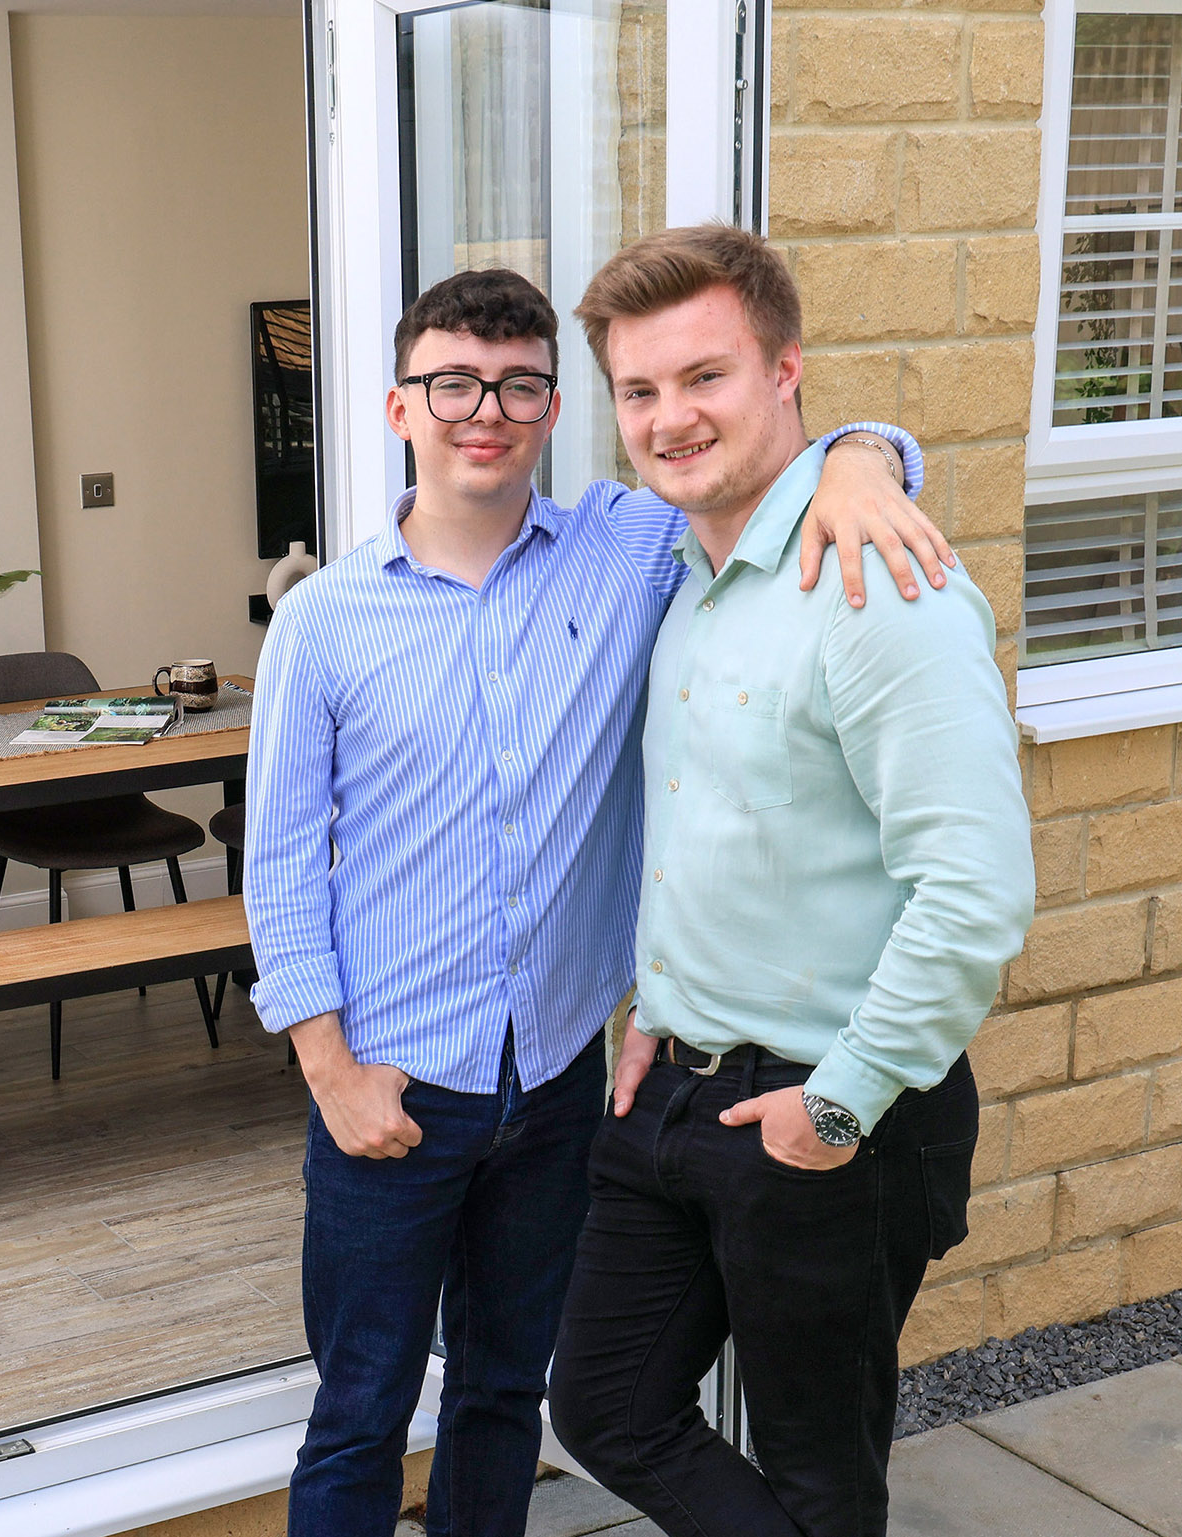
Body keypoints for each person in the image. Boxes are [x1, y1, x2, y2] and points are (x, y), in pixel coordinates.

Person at [243, 265, 953, 1537]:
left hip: (563, 1083)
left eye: (518, 385)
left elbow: (769, 460)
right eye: (451, 381)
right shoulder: (325, 622)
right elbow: (282, 863)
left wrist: (863, 459)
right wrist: (330, 1070)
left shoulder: (626, 549)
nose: (485, 410)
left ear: (552, 408)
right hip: (391, 1086)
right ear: (400, 406)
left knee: (506, 1393)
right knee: (360, 1405)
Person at [547, 225, 1036, 1537]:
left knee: (825, 1483)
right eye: (638, 392)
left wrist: (839, 1105)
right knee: (603, 1403)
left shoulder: (878, 585)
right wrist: (652, 997)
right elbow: (708, 825)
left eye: (703, 377)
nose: (667, 419)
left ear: (784, 375)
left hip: (832, 1111)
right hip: (672, 1083)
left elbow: (976, 891)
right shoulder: (686, 576)